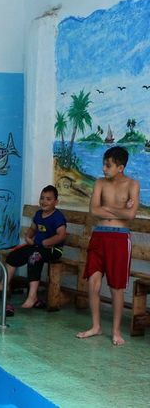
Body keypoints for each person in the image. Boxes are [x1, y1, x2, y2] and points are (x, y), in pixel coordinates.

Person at [77, 146, 140, 346]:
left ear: (120, 167)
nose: (104, 169)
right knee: (93, 283)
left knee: (116, 287)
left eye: (108, 165)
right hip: (99, 236)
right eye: (104, 164)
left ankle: (115, 331)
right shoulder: (99, 183)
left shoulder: (132, 184)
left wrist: (108, 208)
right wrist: (120, 209)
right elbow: (94, 211)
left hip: (120, 239)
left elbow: (130, 216)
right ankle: (95, 326)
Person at [0, 185, 67, 312]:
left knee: (34, 258)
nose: (44, 201)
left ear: (56, 202)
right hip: (37, 247)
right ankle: (3, 284)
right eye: (42, 198)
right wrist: (28, 237)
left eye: (48, 199)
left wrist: (47, 242)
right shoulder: (38, 214)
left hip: (53, 250)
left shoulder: (57, 217)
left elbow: (62, 235)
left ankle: (32, 297)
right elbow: (32, 228)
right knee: (13, 256)